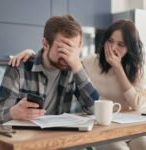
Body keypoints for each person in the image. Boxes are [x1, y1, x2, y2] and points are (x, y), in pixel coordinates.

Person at [10, 20, 146, 150]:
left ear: (130, 48)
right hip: (103, 126)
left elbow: (137, 104)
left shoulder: (137, 67)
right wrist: (32, 54)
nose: (113, 48)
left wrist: (118, 68)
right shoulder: (91, 61)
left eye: (121, 45)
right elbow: (59, 57)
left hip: (129, 125)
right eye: (110, 41)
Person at [0, 15, 99, 124]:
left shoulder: (74, 67)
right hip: (24, 138)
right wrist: (13, 113)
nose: (68, 56)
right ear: (45, 43)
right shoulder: (19, 68)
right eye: (62, 48)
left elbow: (95, 109)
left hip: (58, 137)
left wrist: (78, 67)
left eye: (72, 49)